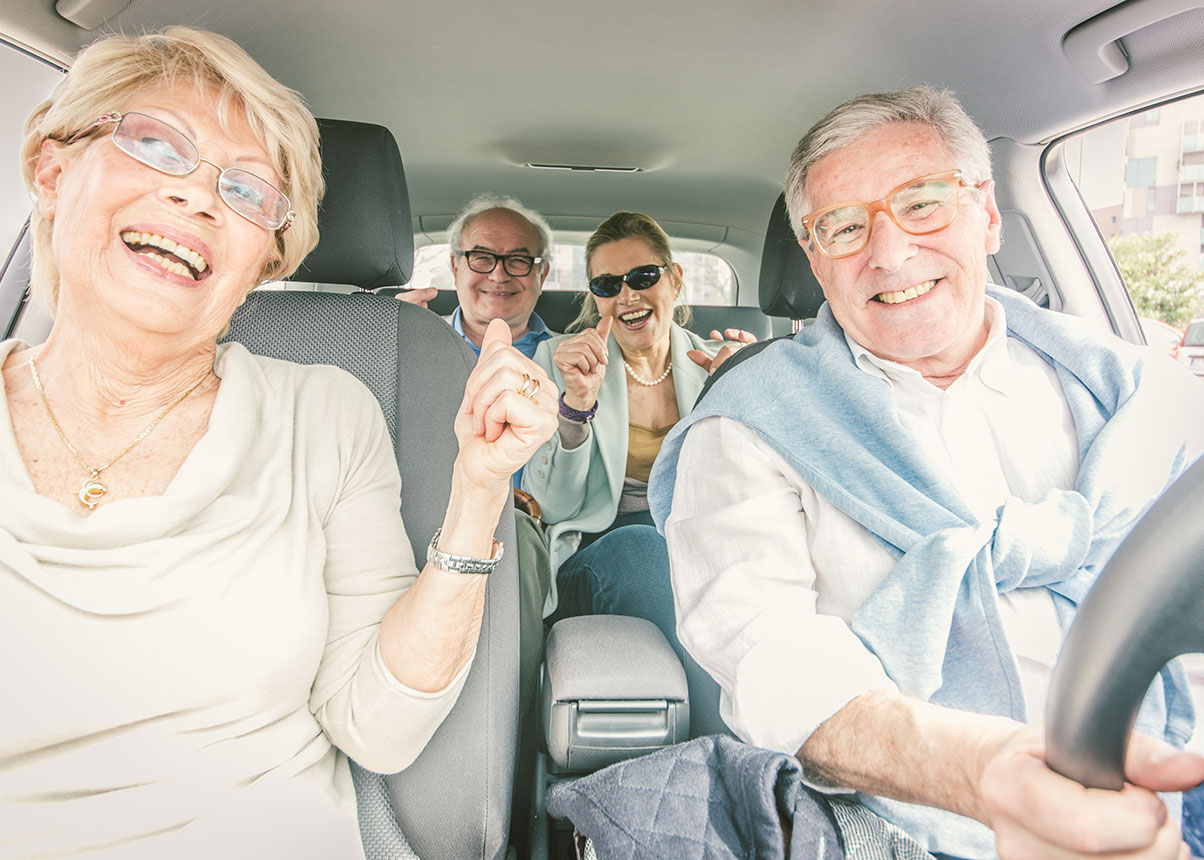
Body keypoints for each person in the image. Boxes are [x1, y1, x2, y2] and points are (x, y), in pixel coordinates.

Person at [0, 28, 556, 859]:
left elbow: (378, 723)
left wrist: (479, 486)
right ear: (51, 170)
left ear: (266, 259)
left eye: (247, 191)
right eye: (156, 145)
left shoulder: (326, 415)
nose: (196, 198)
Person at [648, 87, 1204, 857]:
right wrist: (984, 775)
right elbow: (773, 658)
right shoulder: (746, 426)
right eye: (843, 226)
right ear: (814, 257)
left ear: (988, 213)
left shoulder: (1143, 397)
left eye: (922, 204)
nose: (889, 252)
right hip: (914, 821)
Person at [523, 211, 754, 677]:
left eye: (643, 277)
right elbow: (552, 504)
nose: (627, 295)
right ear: (595, 297)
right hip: (597, 547)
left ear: (674, 280)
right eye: (607, 285)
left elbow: (747, 499)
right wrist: (576, 405)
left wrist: (743, 403)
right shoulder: (560, 360)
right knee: (642, 548)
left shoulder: (720, 365)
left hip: (697, 545)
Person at [394, 194, 556, 360]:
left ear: (542, 276)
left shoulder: (575, 356)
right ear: (456, 268)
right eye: (482, 258)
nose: (498, 276)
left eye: (518, 260)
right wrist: (390, 343)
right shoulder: (410, 340)